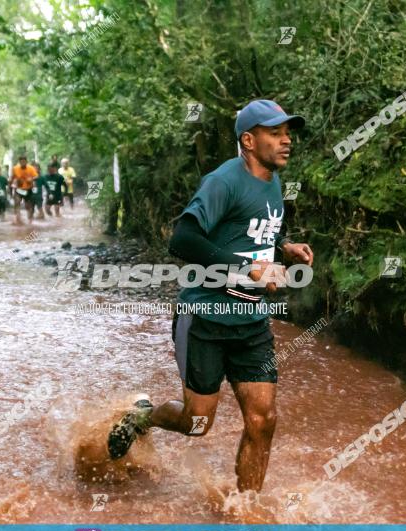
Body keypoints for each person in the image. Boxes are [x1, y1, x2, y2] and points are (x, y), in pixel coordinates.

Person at [106, 99, 314, 493]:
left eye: (288, 132)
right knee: (196, 423)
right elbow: (183, 238)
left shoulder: (272, 181)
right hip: (206, 315)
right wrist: (251, 268)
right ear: (249, 141)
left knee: (263, 419)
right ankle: (141, 416)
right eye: (276, 133)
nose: (287, 140)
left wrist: (284, 246)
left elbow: (255, 230)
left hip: (251, 320)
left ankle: (246, 512)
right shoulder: (223, 180)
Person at [11, 155, 38, 225]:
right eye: (21, 162)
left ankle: (30, 221)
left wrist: (31, 179)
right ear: (19, 162)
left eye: (24, 161)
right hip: (19, 189)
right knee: (17, 202)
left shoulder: (31, 168)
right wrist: (10, 186)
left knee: (28, 206)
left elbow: (36, 176)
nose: (23, 163)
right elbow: (12, 178)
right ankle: (18, 219)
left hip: (28, 189)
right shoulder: (15, 168)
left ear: (26, 162)